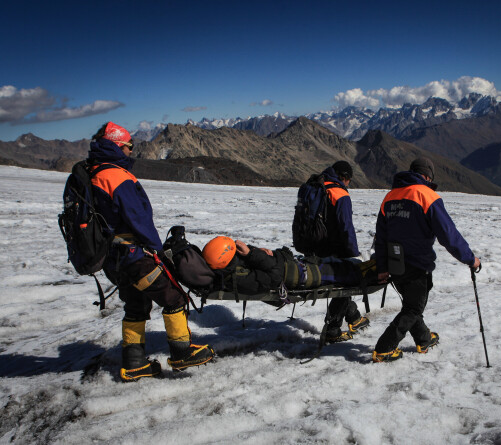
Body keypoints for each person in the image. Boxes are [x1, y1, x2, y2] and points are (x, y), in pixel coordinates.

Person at [87, 122, 214, 381]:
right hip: (134, 256)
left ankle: (134, 363)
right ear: (117, 145)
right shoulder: (116, 176)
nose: (131, 151)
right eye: (128, 146)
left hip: (113, 259)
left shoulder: (93, 172)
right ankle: (181, 353)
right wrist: (157, 250)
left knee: (136, 305)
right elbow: (138, 218)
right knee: (174, 297)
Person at [372, 157, 481, 362]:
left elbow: (381, 236)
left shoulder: (390, 196)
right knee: (413, 308)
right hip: (417, 261)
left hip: (395, 262)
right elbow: (448, 234)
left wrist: (382, 266)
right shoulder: (426, 195)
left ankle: (424, 339)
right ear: (427, 176)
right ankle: (384, 348)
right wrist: (470, 259)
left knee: (412, 304)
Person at [294, 161, 370, 343]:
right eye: (349, 181)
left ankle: (354, 317)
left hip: (310, 245)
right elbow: (346, 227)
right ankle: (332, 329)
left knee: (341, 283)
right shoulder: (339, 193)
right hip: (330, 248)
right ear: (345, 178)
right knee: (346, 282)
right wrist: (353, 253)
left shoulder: (313, 186)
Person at [201, 236, 374, 296]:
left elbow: (262, 265)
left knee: (337, 263)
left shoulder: (232, 264)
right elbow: (274, 277)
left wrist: (253, 251)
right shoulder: (240, 278)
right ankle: (373, 273)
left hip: (293, 265)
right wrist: (253, 254)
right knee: (341, 272)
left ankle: (365, 264)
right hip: (298, 275)